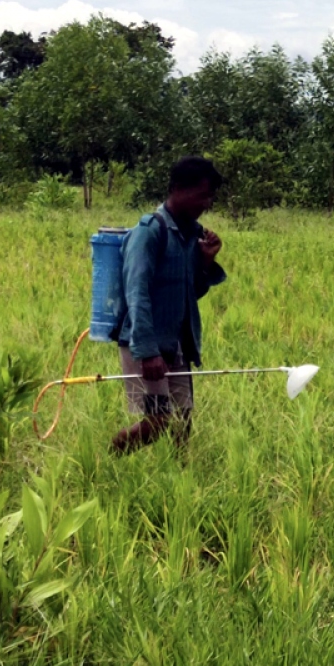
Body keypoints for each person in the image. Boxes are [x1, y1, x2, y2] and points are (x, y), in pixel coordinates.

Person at [111, 156, 226, 454]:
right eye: (202, 195)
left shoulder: (191, 235)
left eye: (210, 196)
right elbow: (136, 293)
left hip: (176, 343)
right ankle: (103, 462)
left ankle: (181, 482)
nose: (207, 203)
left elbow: (191, 294)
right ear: (177, 189)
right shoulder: (150, 231)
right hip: (146, 344)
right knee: (159, 420)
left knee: (182, 420)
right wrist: (147, 353)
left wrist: (204, 262)